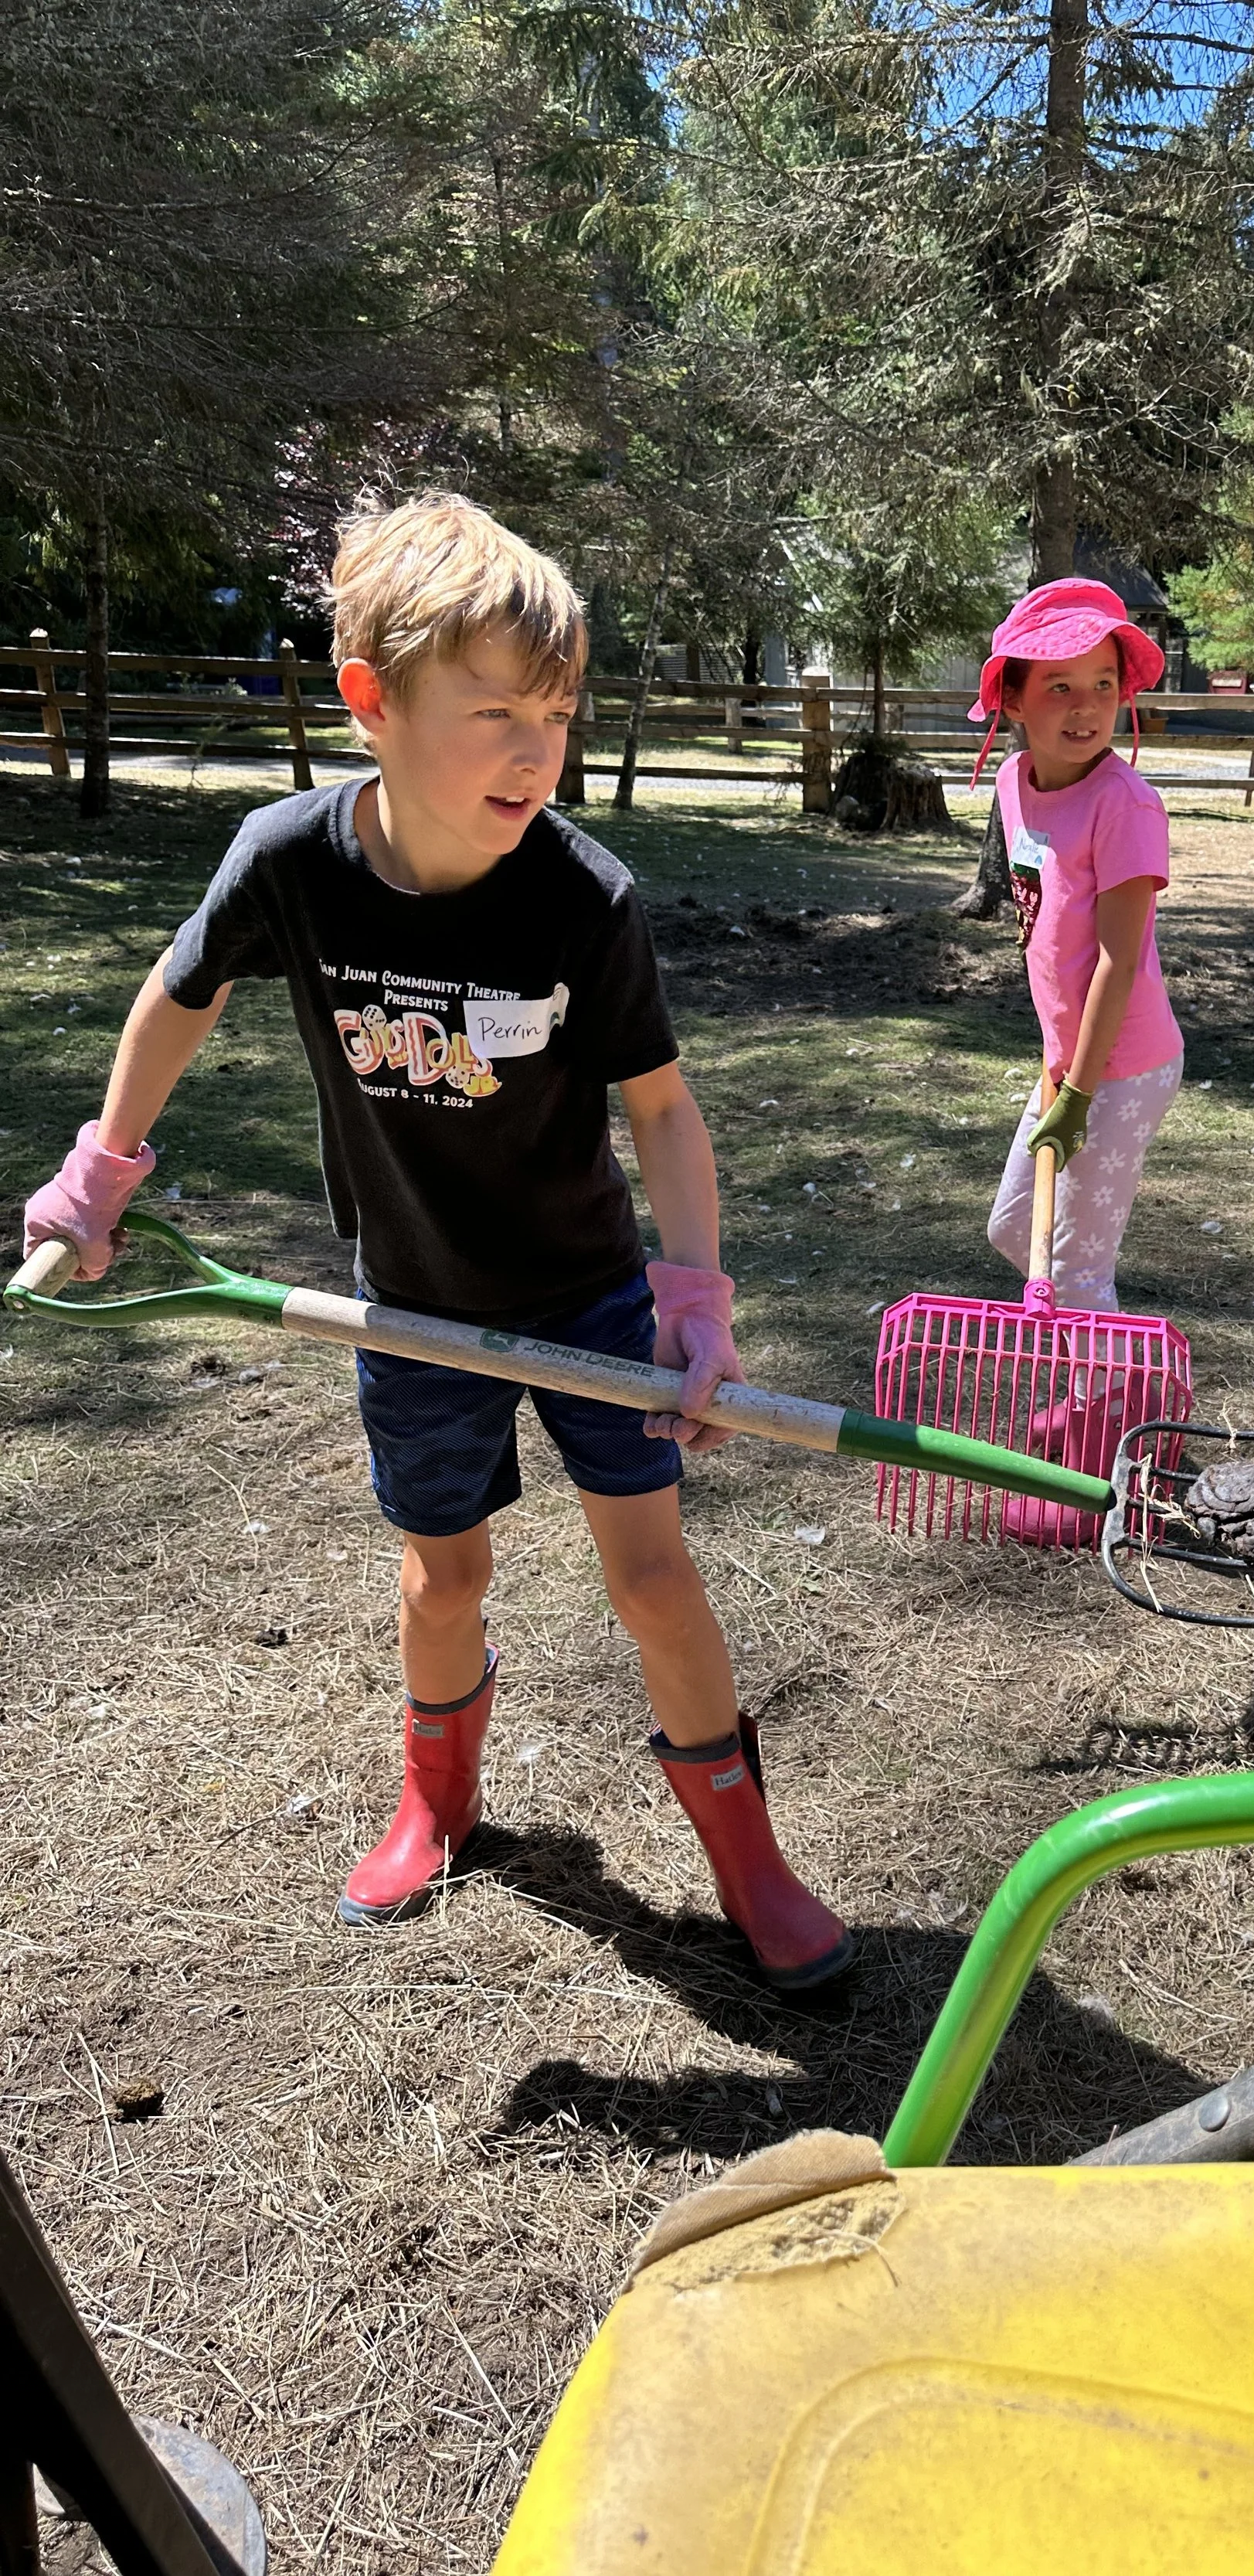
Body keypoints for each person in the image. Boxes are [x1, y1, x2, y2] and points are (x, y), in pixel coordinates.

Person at [20, 493, 850, 1990]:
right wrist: (103, 1163)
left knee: (655, 1581)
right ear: (372, 703)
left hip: (586, 1299)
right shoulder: (290, 861)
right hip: (407, 1303)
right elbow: (181, 990)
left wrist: (696, 1296)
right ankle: (437, 1798)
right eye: (494, 714)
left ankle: (745, 1855)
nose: (536, 751)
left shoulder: (581, 896)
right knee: (439, 1578)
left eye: (556, 713)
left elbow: (660, 1108)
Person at [973, 579, 1184, 1312]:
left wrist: (1081, 1093)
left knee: (1074, 1270)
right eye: (1059, 685)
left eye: (1102, 683)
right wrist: (1059, 1062)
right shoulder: (1012, 780)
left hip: (1123, 1067)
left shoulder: (1126, 806)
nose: (1087, 706)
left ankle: (1116, 1409)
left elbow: (1117, 963)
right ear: (1013, 698)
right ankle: (1100, 1383)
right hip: (1067, 1061)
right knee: (1012, 1229)